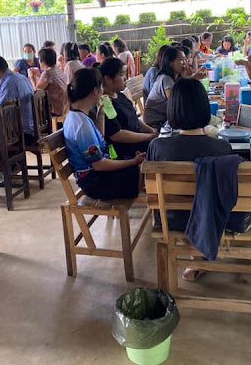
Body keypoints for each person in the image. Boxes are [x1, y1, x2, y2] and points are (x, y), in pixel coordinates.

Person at [147, 78, 233, 281]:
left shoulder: (157, 147)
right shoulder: (223, 148)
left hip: (170, 218)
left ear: (172, 110)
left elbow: (149, 190)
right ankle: (200, 255)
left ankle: (196, 257)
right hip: (212, 219)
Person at [63, 68, 144, 201]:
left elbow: (97, 144)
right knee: (143, 172)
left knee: (140, 166)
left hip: (97, 175)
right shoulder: (82, 125)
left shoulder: (77, 115)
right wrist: (133, 162)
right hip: (95, 182)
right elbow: (99, 164)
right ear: (96, 90)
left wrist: (101, 114)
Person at [99, 58, 157, 159]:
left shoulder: (119, 95)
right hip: (127, 151)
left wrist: (152, 131)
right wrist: (148, 137)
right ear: (108, 79)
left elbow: (134, 118)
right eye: (122, 75)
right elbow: (117, 135)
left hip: (140, 139)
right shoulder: (105, 102)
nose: (125, 78)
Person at [0, 54, 36, 144]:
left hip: (23, 134)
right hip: (32, 128)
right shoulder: (20, 77)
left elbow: (1, 112)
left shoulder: (8, 83)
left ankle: (5, 153)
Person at [143, 47, 186, 131]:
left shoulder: (175, 77)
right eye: (181, 60)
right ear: (170, 63)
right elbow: (176, 103)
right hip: (155, 124)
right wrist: (187, 79)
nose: (185, 63)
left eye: (185, 59)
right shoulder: (165, 79)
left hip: (166, 120)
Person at [29, 47, 67, 116]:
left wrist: (31, 77)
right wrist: (39, 75)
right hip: (65, 106)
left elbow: (36, 92)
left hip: (57, 110)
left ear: (42, 61)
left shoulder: (47, 73)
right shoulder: (57, 70)